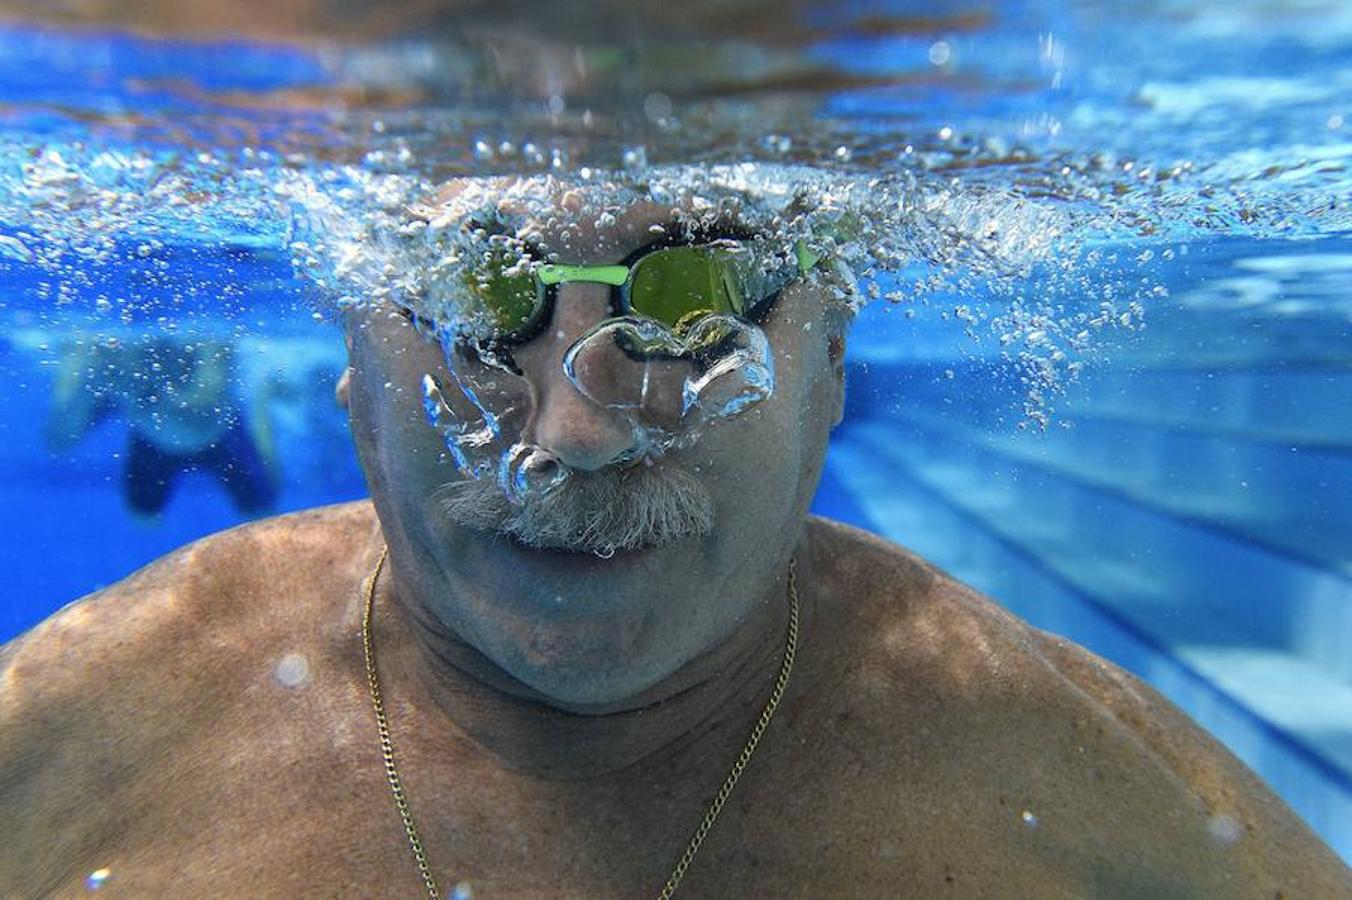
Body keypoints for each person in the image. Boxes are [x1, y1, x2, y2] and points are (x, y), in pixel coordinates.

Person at [2, 176, 1349, 900]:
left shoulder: (1114, 809)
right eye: (478, 298)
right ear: (351, 359)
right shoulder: (69, 741)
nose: (579, 436)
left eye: (694, 299)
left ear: (828, 370)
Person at [44, 336, 279, 518]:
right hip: (158, 430)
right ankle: (262, 401)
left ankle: (262, 401)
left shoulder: (202, 364)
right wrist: (84, 370)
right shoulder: (120, 367)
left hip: (211, 431)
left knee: (262, 511)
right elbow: (57, 438)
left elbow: (208, 393)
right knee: (143, 514)